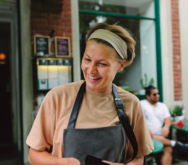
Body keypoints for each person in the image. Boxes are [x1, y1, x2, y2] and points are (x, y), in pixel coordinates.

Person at [26, 23, 154, 165]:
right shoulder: (58, 97)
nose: (91, 70)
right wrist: (63, 163)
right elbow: (33, 155)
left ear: (121, 65)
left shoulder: (131, 104)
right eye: (87, 59)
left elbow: (139, 157)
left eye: (102, 64)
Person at [140, 85, 188, 165]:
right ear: (148, 96)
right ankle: (176, 143)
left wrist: (166, 127)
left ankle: (174, 143)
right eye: (154, 94)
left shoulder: (162, 106)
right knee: (151, 136)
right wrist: (147, 131)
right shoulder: (142, 104)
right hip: (147, 137)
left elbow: (168, 119)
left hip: (161, 136)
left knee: (168, 150)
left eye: (158, 93)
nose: (157, 96)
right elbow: (137, 121)